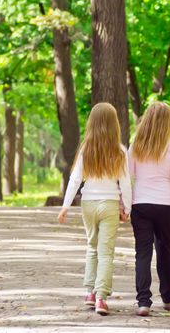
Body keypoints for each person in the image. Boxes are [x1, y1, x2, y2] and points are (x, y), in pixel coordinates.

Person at [58, 102, 131, 316]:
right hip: (109, 204)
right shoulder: (120, 151)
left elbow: (75, 179)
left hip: (88, 204)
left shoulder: (86, 149)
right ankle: (101, 298)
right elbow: (125, 183)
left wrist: (65, 206)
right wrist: (128, 208)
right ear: (114, 124)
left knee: (92, 247)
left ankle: (89, 293)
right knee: (106, 252)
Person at [129, 102, 170, 316]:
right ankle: (168, 296)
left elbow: (128, 176)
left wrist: (126, 204)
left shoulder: (136, 145)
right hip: (164, 205)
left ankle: (143, 301)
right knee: (164, 250)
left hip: (140, 204)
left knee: (143, 252)